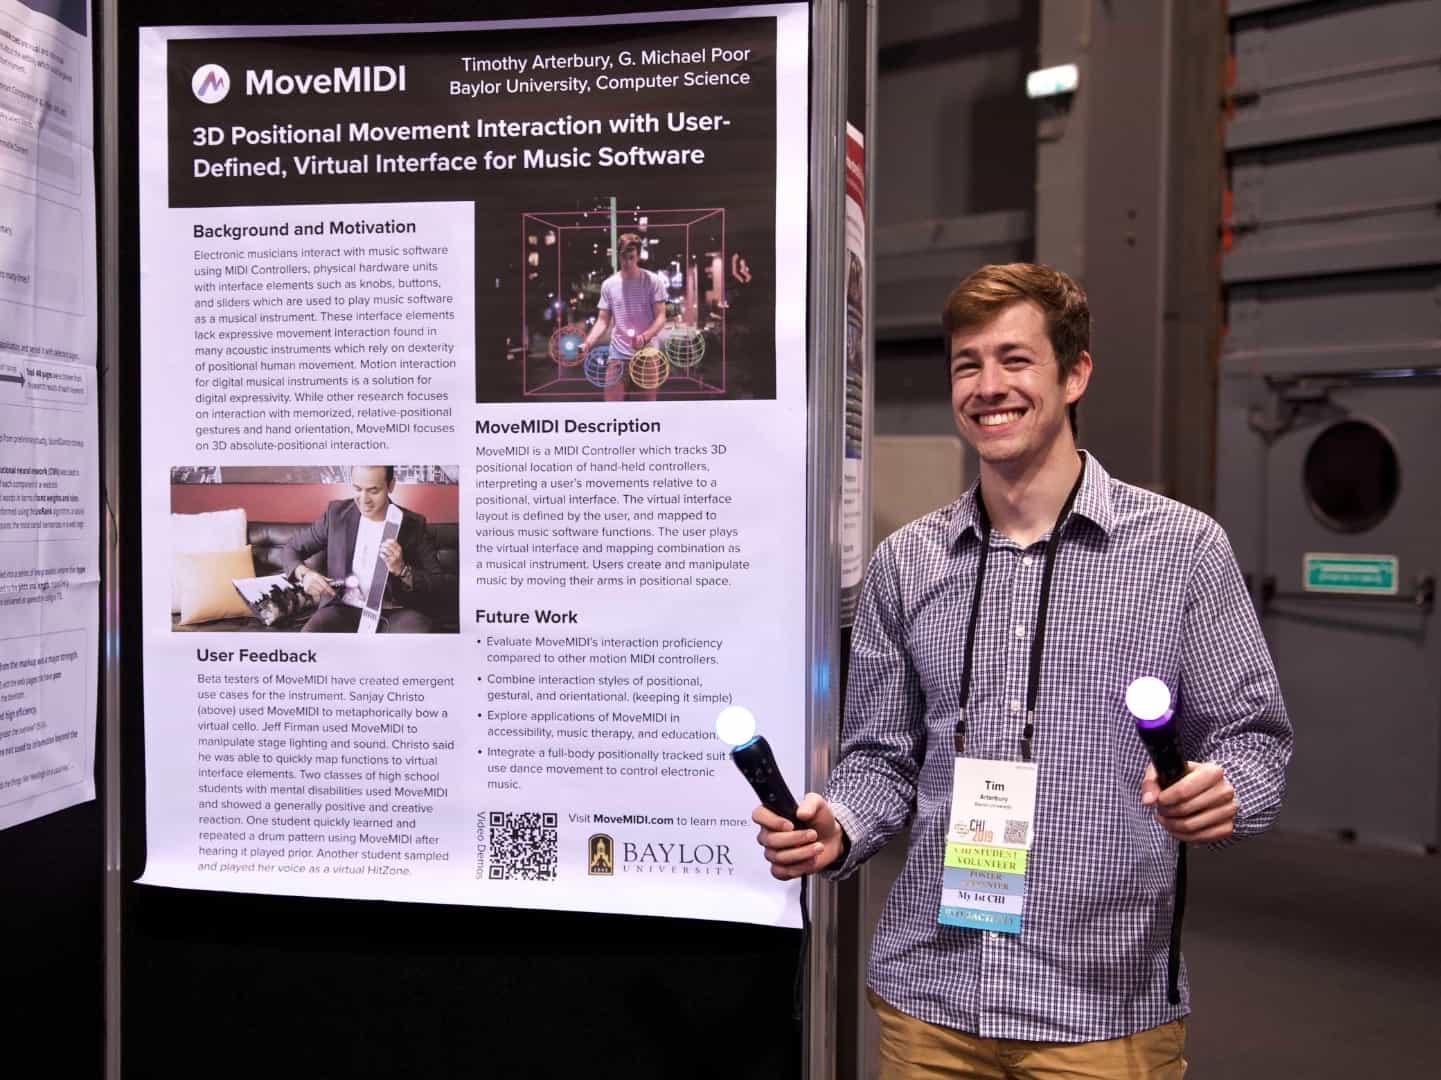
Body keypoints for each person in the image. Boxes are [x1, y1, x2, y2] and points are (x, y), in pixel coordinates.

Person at [754, 264, 1292, 1078]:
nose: (987, 386)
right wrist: (839, 828)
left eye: (1014, 359)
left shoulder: (1182, 552)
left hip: (1098, 1008)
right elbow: (879, 755)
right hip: (927, 1000)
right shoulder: (907, 563)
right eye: (967, 364)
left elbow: (1253, 741)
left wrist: (1225, 791)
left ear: (1074, 373)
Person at [277, 465, 454, 633]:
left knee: (420, 637)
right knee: (309, 637)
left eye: (373, 490)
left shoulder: (413, 524)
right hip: (344, 608)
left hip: (395, 612)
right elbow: (291, 549)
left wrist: (402, 569)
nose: (364, 499)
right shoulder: (336, 515)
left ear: (391, 485)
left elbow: (437, 582)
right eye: (357, 489)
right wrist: (305, 574)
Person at [580, 232, 668, 401]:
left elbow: (661, 317)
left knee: (647, 416)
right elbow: (603, 320)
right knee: (613, 414)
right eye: (623, 257)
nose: (627, 262)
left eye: (631, 257)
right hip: (617, 357)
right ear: (617, 255)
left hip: (647, 357)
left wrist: (644, 337)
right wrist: (588, 343)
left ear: (638, 256)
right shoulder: (609, 285)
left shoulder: (653, 281)